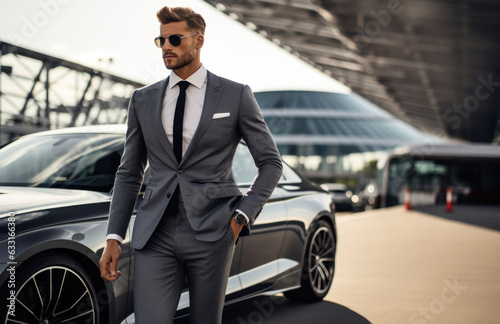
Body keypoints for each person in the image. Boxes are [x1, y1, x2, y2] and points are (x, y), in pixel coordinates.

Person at [99, 6, 282, 324]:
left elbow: (270, 162)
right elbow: (129, 172)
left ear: (198, 40)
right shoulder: (142, 99)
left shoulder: (235, 96)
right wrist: (114, 236)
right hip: (154, 234)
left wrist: (241, 216)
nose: (166, 46)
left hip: (213, 231)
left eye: (174, 38)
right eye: (161, 40)